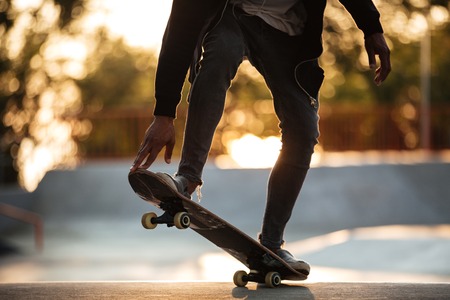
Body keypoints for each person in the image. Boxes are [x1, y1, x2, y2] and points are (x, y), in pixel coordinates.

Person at [130, 0, 391, 276]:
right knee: (220, 56)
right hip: (233, 17)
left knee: (303, 130)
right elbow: (181, 26)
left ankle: (272, 243)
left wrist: (372, 28)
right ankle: (188, 178)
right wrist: (164, 114)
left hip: (289, 34)